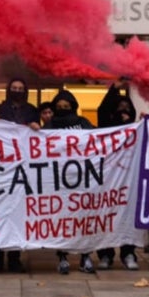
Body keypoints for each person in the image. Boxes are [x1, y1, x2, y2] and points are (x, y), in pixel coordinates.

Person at [0, 77, 40, 273]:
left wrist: (35, 126)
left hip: (21, 169)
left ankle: (14, 258)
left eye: (20, 88)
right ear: (8, 90)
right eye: (14, 88)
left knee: (17, 215)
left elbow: (37, 134)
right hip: (1, 169)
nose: (17, 91)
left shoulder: (31, 110)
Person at [42, 89, 96, 274]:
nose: (63, 109)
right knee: (62, 220)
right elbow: (39, 144)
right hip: (60, 182)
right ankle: (62, 257)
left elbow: (99, 139)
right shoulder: (49, 125)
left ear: (73, 107)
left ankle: (85, 256)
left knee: (84, 219)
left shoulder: (83, 123)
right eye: (59, 107)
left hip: (82, 180)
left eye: (66, 106)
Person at [95, 79, 140, 271]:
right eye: (120, 109)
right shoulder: (106, 128)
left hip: (128, 184)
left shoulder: (137, 130)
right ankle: (105, 255)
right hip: (107, 183)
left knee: (127, 218)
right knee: (105, 218)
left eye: (127, 109)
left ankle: (128, 253)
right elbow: (103, 110)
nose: (124, 112)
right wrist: (114, 87)